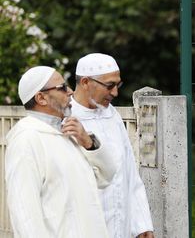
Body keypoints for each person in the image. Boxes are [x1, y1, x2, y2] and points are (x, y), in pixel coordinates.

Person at [5, 66, 118, 237]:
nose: (71, 92)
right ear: (41, 98)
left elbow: (106, 177)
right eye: (63, 88)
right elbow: (24, 212)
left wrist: (89, 143)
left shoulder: (67, 133)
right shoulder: (27, 139)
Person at [71, 53, 154, 238]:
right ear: (85, 82)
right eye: (109, 86)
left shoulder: (112, 115)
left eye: (118, 85)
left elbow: (129, 172)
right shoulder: (65, 119)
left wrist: (142, 223)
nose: (115, 93)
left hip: (121, 228)